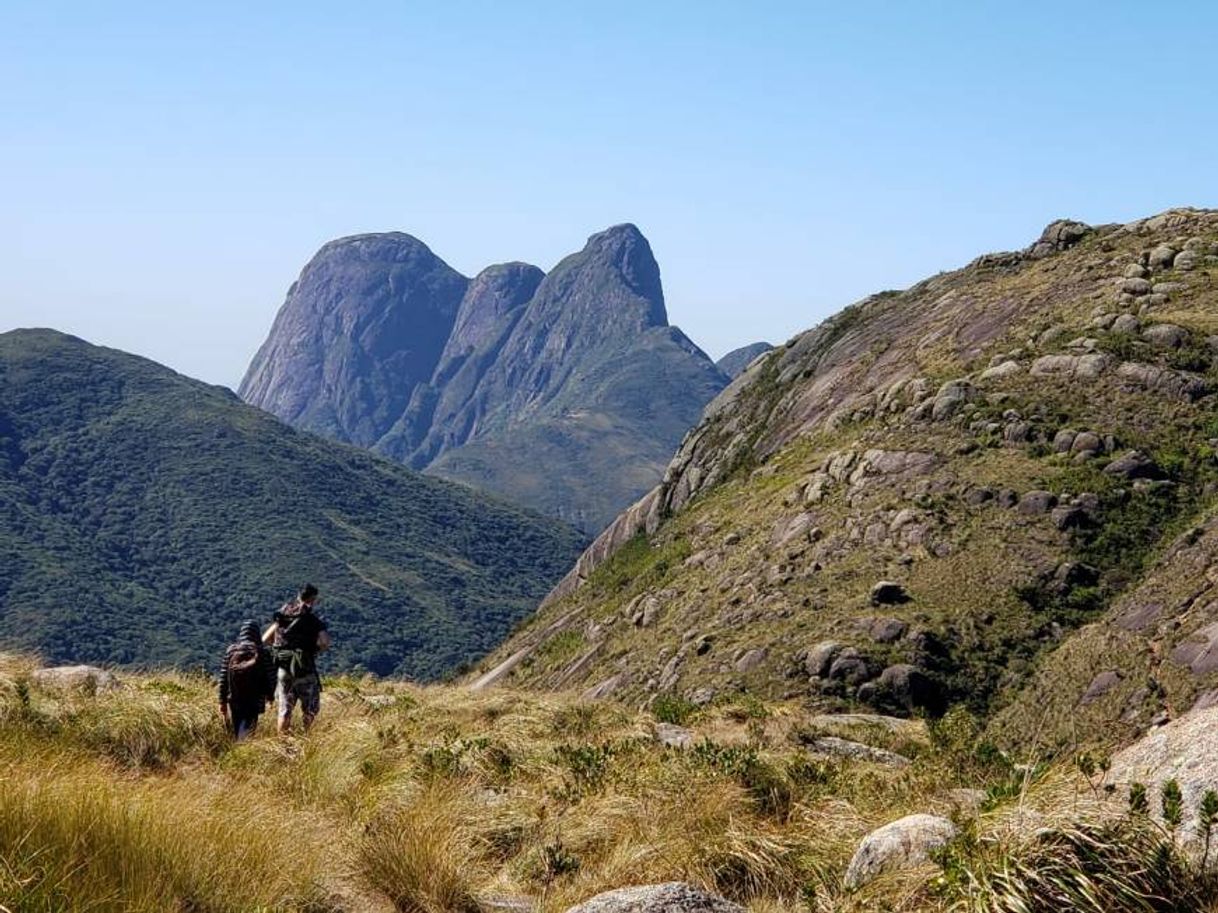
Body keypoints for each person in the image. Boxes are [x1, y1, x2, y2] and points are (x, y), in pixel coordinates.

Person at [263, 583, 331, 734]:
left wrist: (283, 649)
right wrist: (314, 651)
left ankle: (281, 744)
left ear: (298, 596)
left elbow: (265, 639)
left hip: (284, 668)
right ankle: (307, 741)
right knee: (310, 710)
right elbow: (324, 642)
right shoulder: (312, 620)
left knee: (284, 710)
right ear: (313, 599)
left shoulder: (283, 615)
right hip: (304, 670)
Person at [218, 620, 276, 740]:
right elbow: (270, 676)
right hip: (254, 697)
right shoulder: (262, 652)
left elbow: (223, 677)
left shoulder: (231, 650)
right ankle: (245, 751)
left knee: (237, 726)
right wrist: (270, 696)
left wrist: (222, 701)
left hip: (234, 697)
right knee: (250, 726)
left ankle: (238, 747)